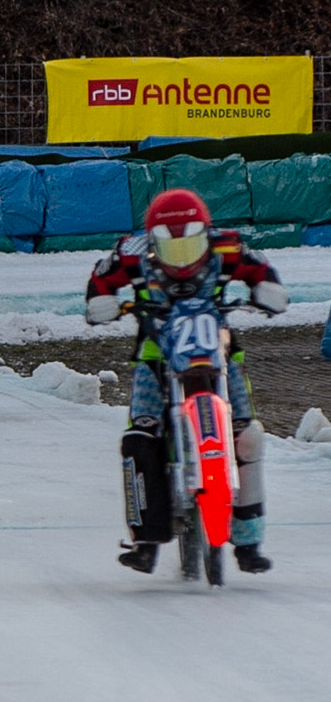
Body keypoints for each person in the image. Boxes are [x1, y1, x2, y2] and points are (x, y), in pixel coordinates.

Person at [85, 187, 288, 575]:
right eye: (169, 245)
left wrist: (268, 292)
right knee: (140, 436)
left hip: (221, 354)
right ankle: (145, 542)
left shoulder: (228, 248)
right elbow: (100, 282)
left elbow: (263, 272)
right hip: (155, 354)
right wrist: (100, 304)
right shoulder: (130, 252)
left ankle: (249, 541)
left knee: (248, 434)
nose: (181, 255)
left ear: (205, 235)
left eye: (190, 243)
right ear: (152, 242)